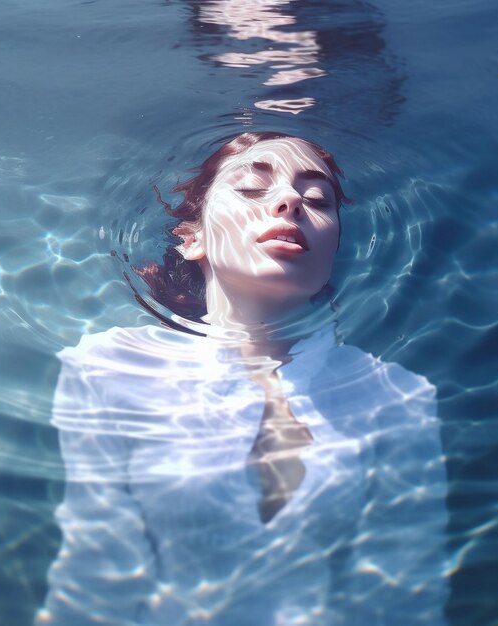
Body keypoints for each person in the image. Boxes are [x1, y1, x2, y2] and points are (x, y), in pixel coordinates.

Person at [37, 132, 450, 626]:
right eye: (252, 190)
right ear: (193, 239)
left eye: (317, 200)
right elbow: (94, 572)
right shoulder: (112, 369)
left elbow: (405, 596)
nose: (291, 201)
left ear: (334, 246)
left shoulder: (398, 398)